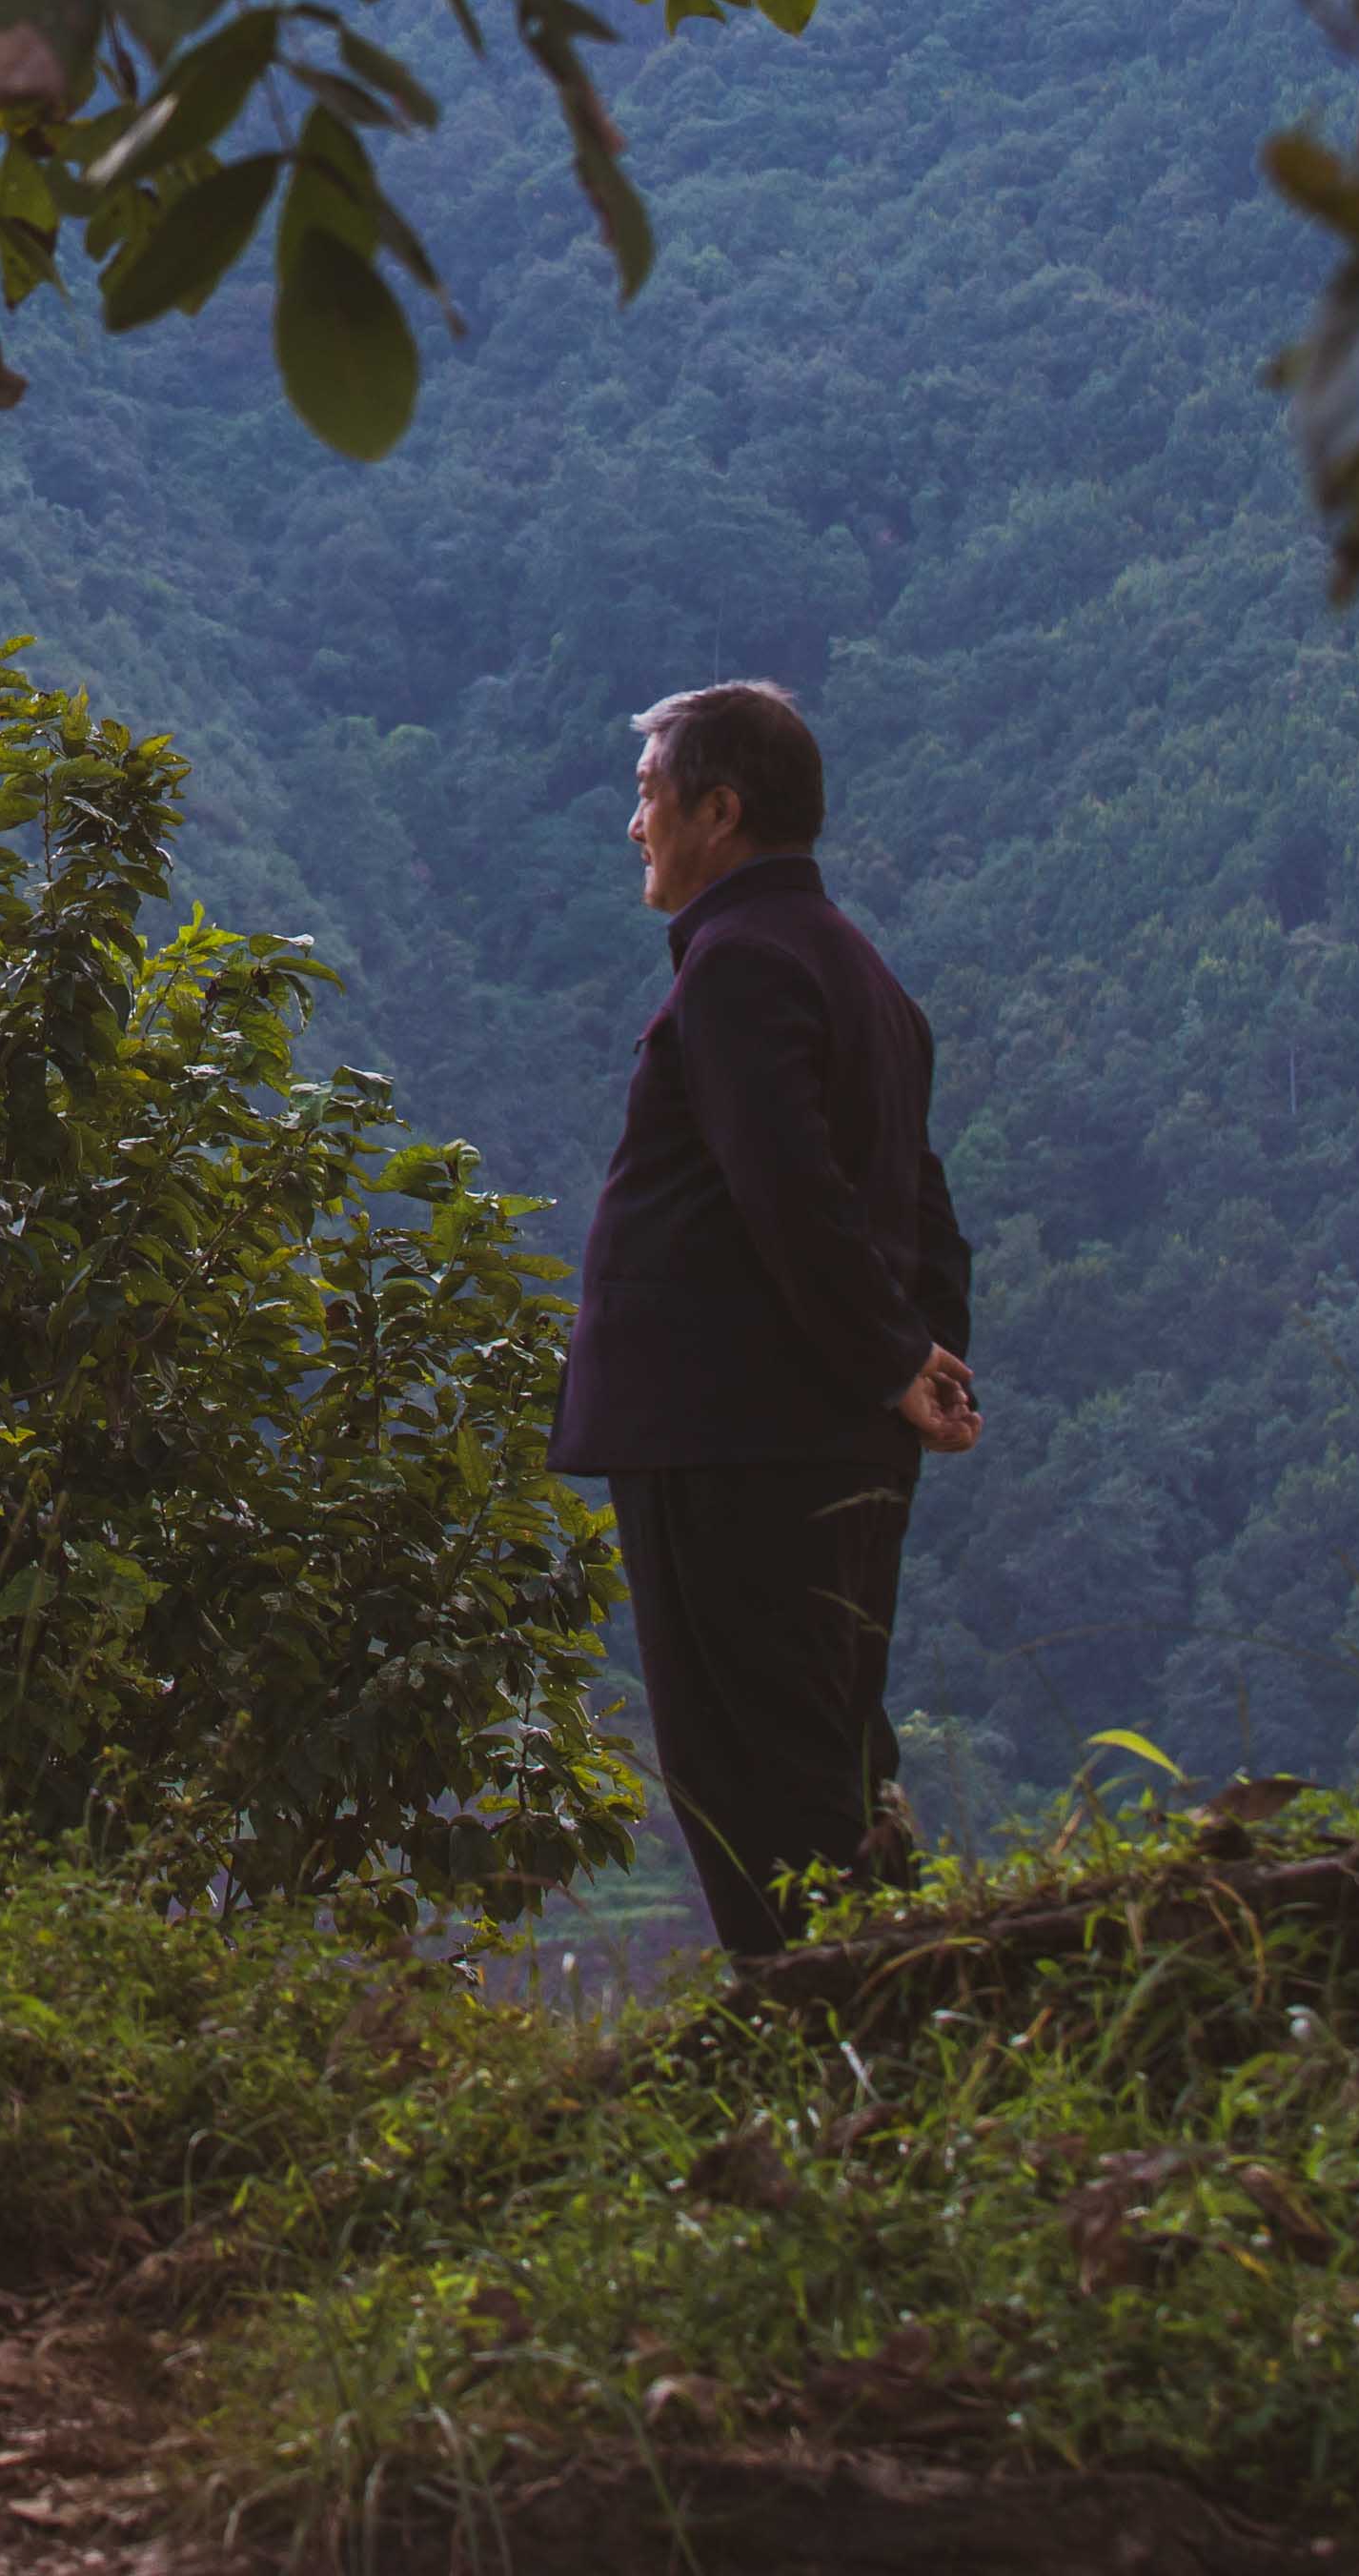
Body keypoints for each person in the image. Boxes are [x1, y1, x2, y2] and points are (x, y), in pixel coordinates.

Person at [551, 678, 979, 1960]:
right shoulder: (862, 976)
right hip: (840, 1431)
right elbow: (922, 1206)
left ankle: (819, 2026)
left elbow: (788, 1190)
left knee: (747, 1765)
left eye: (648, 798)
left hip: (732, 1435)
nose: (635, 827)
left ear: (719, 809)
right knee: (830, 1738)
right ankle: (893, 2004)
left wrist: (900, 1356)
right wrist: (920, 1362)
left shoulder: (739, 967)